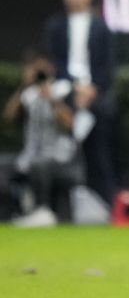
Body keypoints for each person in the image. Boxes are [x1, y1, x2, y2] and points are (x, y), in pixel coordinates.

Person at [44, 0, 116, 205]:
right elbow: (53, 61)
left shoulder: (101, 28)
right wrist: (74, 87)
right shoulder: (55, 26)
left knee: (101, 141)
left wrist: (91, 89)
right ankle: (55, 203)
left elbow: (108, 65)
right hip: (64, 91)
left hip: (94, 95)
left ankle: (105, 202)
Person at [3, 49, 84, 227]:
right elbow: (9, 117)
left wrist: (51, 98)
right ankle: (9, 216)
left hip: (60, 157)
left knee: (40, 165)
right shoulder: (27, 94)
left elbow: (71, 124)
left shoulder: (63, 89)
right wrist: (24, 85)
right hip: (30, 155)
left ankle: (43, 211)